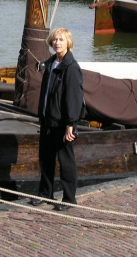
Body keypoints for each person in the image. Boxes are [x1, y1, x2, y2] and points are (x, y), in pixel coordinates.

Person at [30, 27, 84, 211]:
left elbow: (73, 98)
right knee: (46, 158)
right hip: (47, 119)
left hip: (62, 122)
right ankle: (46, 193)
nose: (57, 43)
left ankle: (69, 199)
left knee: (66, 160)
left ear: (68, 42)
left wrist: (71, 123)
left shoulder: (71, 67)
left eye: (61, 40)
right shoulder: (51, 63)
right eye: (54, 40)